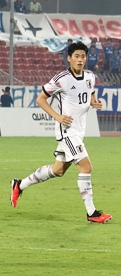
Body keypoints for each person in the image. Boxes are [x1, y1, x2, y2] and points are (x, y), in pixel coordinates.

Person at [10, 42, 112, 224]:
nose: (80, 60)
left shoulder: (90, 76)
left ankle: (19, 184)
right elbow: (40, 99)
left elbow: (90, 95)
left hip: (79, 130)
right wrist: (57, 116)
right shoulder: (61, 79)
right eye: (77, 56)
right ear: (69, 58)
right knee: (86, 167)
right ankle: (92, 213)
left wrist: (94, 102)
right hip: (67, 132)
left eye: (83, 56)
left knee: (57, 171)